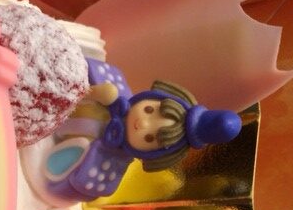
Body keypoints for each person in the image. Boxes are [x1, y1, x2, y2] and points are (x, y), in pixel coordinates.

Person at [44, 73, 242, 202]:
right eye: (149, 110)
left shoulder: (104, 165)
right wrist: (95, 93)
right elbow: (76, 71)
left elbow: (55, 191)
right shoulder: (109, 85)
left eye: (149, 138)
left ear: (153, 156)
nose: (143, 123)